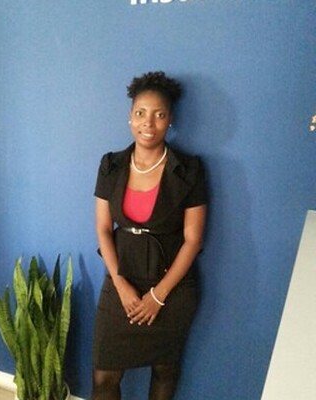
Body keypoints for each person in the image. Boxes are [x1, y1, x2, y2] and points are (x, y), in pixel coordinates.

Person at [91, 71, 207, 400]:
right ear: (130, 116)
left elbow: (193, 240)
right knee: (103, 378)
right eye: (141, 113)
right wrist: (121, 285)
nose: (148, 123)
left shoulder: (189, 169)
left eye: (159, 114)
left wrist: (158, 296)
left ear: (170, 120)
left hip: (172, 288)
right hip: (122, 280)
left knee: (165, 370)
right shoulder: (111, 165)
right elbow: (103, 229)